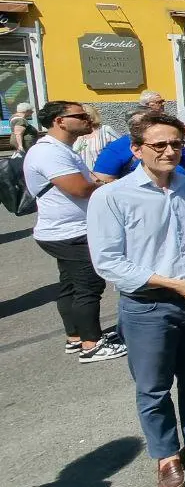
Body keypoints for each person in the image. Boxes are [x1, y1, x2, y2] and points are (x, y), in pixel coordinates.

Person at [86, 112, 185, 487]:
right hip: (148, 304)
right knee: (153, 388)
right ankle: (166, 454)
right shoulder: (111, 196)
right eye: (159, 145)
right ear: (136, 150)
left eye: (176, 143)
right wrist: (171, 283)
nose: (170, 151)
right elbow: (108, 262)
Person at [24, 101, 124, 363]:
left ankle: (76, 337)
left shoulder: (59, 149)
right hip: (69, 232)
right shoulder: (49, 152)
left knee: (69, 285)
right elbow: (78, 188)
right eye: (79, 115)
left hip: (62, 230)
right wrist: (103, 182)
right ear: (60, 121)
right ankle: (92, 344)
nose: (87, 119)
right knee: (88, 286)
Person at [94, 110, 185, 182]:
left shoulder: (173, 143)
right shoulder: (117, 147)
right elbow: (102, 178)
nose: (170, 151)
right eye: (159, 145)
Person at [72, 104, 119, 173]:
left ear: (91, 116)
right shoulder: (76, 135)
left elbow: (122, 149)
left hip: (105, 174)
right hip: (83, 176)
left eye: (83, 116)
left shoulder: (105, 130)